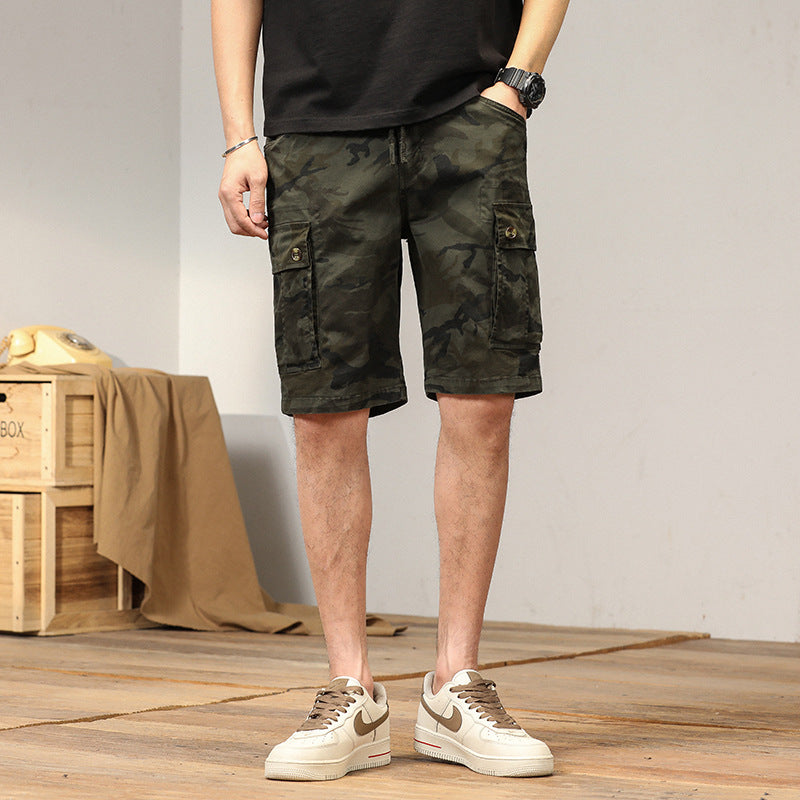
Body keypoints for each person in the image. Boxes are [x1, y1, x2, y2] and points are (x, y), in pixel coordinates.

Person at [212, 0, 570, 782]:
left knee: (483, 396)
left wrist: (518, 82)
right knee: (325, 408)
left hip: (469, 116)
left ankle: (456, 685)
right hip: (316, 129)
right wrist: (240, 135)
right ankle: (352, 691)